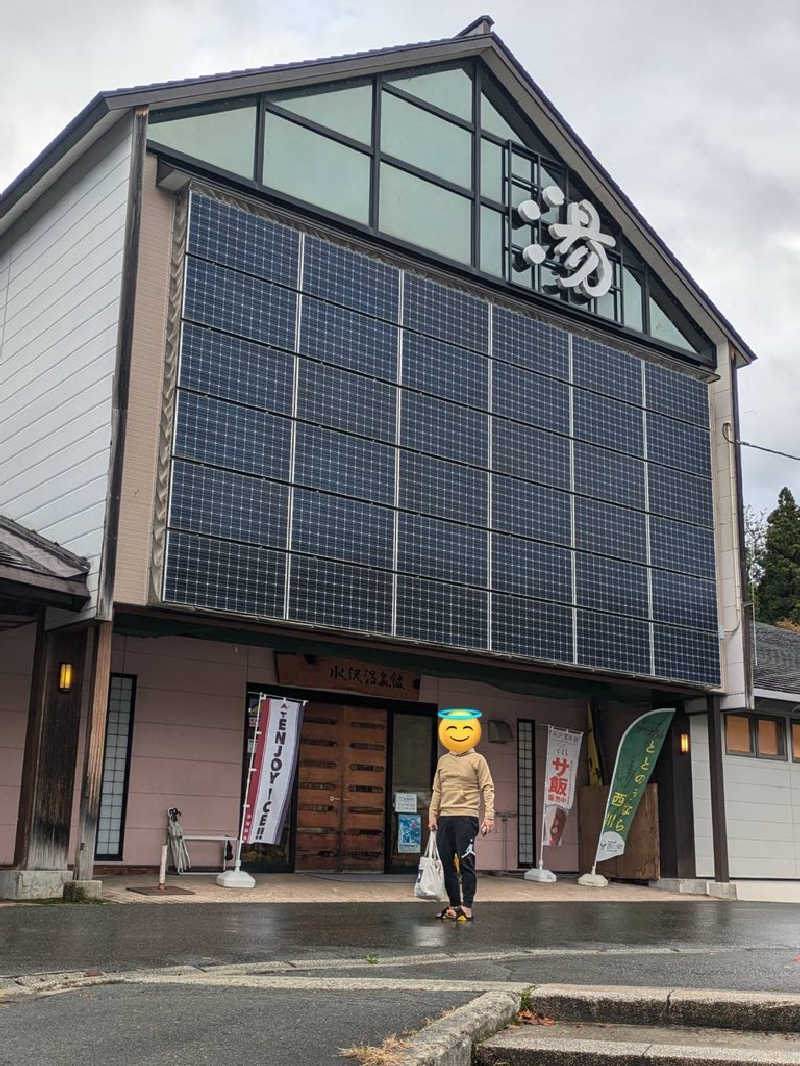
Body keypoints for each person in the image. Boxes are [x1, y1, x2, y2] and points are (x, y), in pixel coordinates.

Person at [428, 708, 495, 922]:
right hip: (445, 818)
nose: (458, 733)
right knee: (447, 863)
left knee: (466, 862)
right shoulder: (443, 760)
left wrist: (489, 816)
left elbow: (488, 788)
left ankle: (467, 906)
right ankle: (454, 904)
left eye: (465, 727)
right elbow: (437, 790)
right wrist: (432, 815)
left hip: (466, 817)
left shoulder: (478, 760)